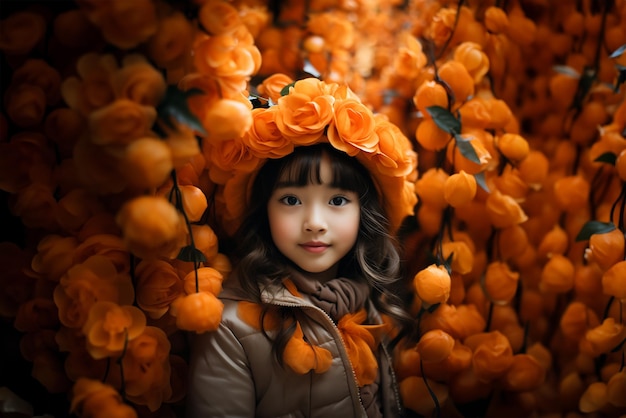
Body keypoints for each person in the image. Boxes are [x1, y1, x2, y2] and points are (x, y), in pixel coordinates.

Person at [186, 78, 418, 418]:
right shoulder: (231, 327)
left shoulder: (370, 303)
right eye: (291, 200)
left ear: (362, 213)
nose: (314, 222)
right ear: (264, 211)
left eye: (337, 200)